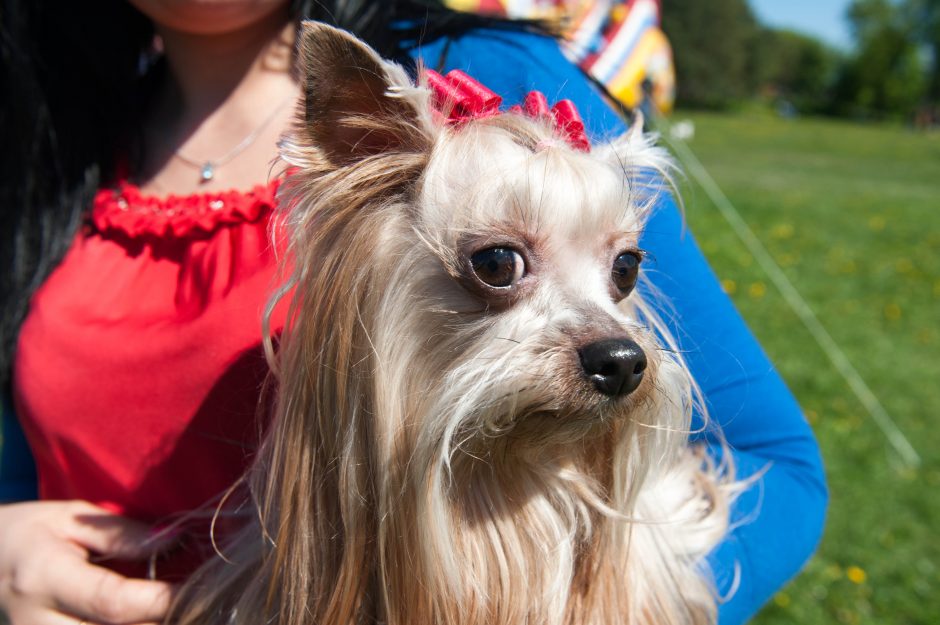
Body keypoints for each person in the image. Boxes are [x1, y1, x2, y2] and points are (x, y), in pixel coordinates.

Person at [0, 1, 828, 624]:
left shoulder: (492, 81)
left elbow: (772, 463)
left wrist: (619, 600)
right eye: (497, 265)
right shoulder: (48, 138)